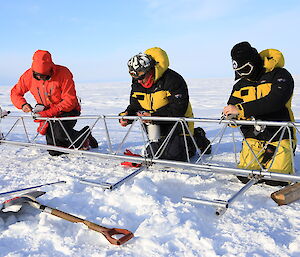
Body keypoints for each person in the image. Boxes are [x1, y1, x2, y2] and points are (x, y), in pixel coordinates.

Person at [223, 41, 296, 186]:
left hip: (279, 133)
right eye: (239, 71)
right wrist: (231, 117)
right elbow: (232, 106)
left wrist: (242, 110)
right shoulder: (240, 85)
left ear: (254, 62)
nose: (243, 74)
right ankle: (263, 156)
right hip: (254, 136)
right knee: (245, 175)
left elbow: (276, 101)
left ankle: (279, 153)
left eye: (246, 69)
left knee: (275, 179)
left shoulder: (280, 74)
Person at [119, 47, 211, 161]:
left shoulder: (173, 80)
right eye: (134, 77)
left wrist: (152, 117)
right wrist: (126, 116)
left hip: (178, 122)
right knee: (155, 154)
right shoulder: (137, 83)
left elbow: (178, 110)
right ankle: (164, 145)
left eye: (141, 76)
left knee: (176, 156)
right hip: (154, 125)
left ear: (150, 70)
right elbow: (135, 106)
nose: (138, 81)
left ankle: (197, 138)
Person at [10, 50, 98, 156]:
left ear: (51, 69)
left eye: (45, 76)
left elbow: (69, 101)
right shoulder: (27, 76)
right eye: (37, 75)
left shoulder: (63, 73)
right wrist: (23, 105)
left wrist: (45, 114)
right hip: (47, 112)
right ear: (33, 71)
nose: (40, 78)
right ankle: (74, 141)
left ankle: (84, 136)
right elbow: (15, 93)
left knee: (60, 134)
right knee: (54, 151)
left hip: (67, 110)